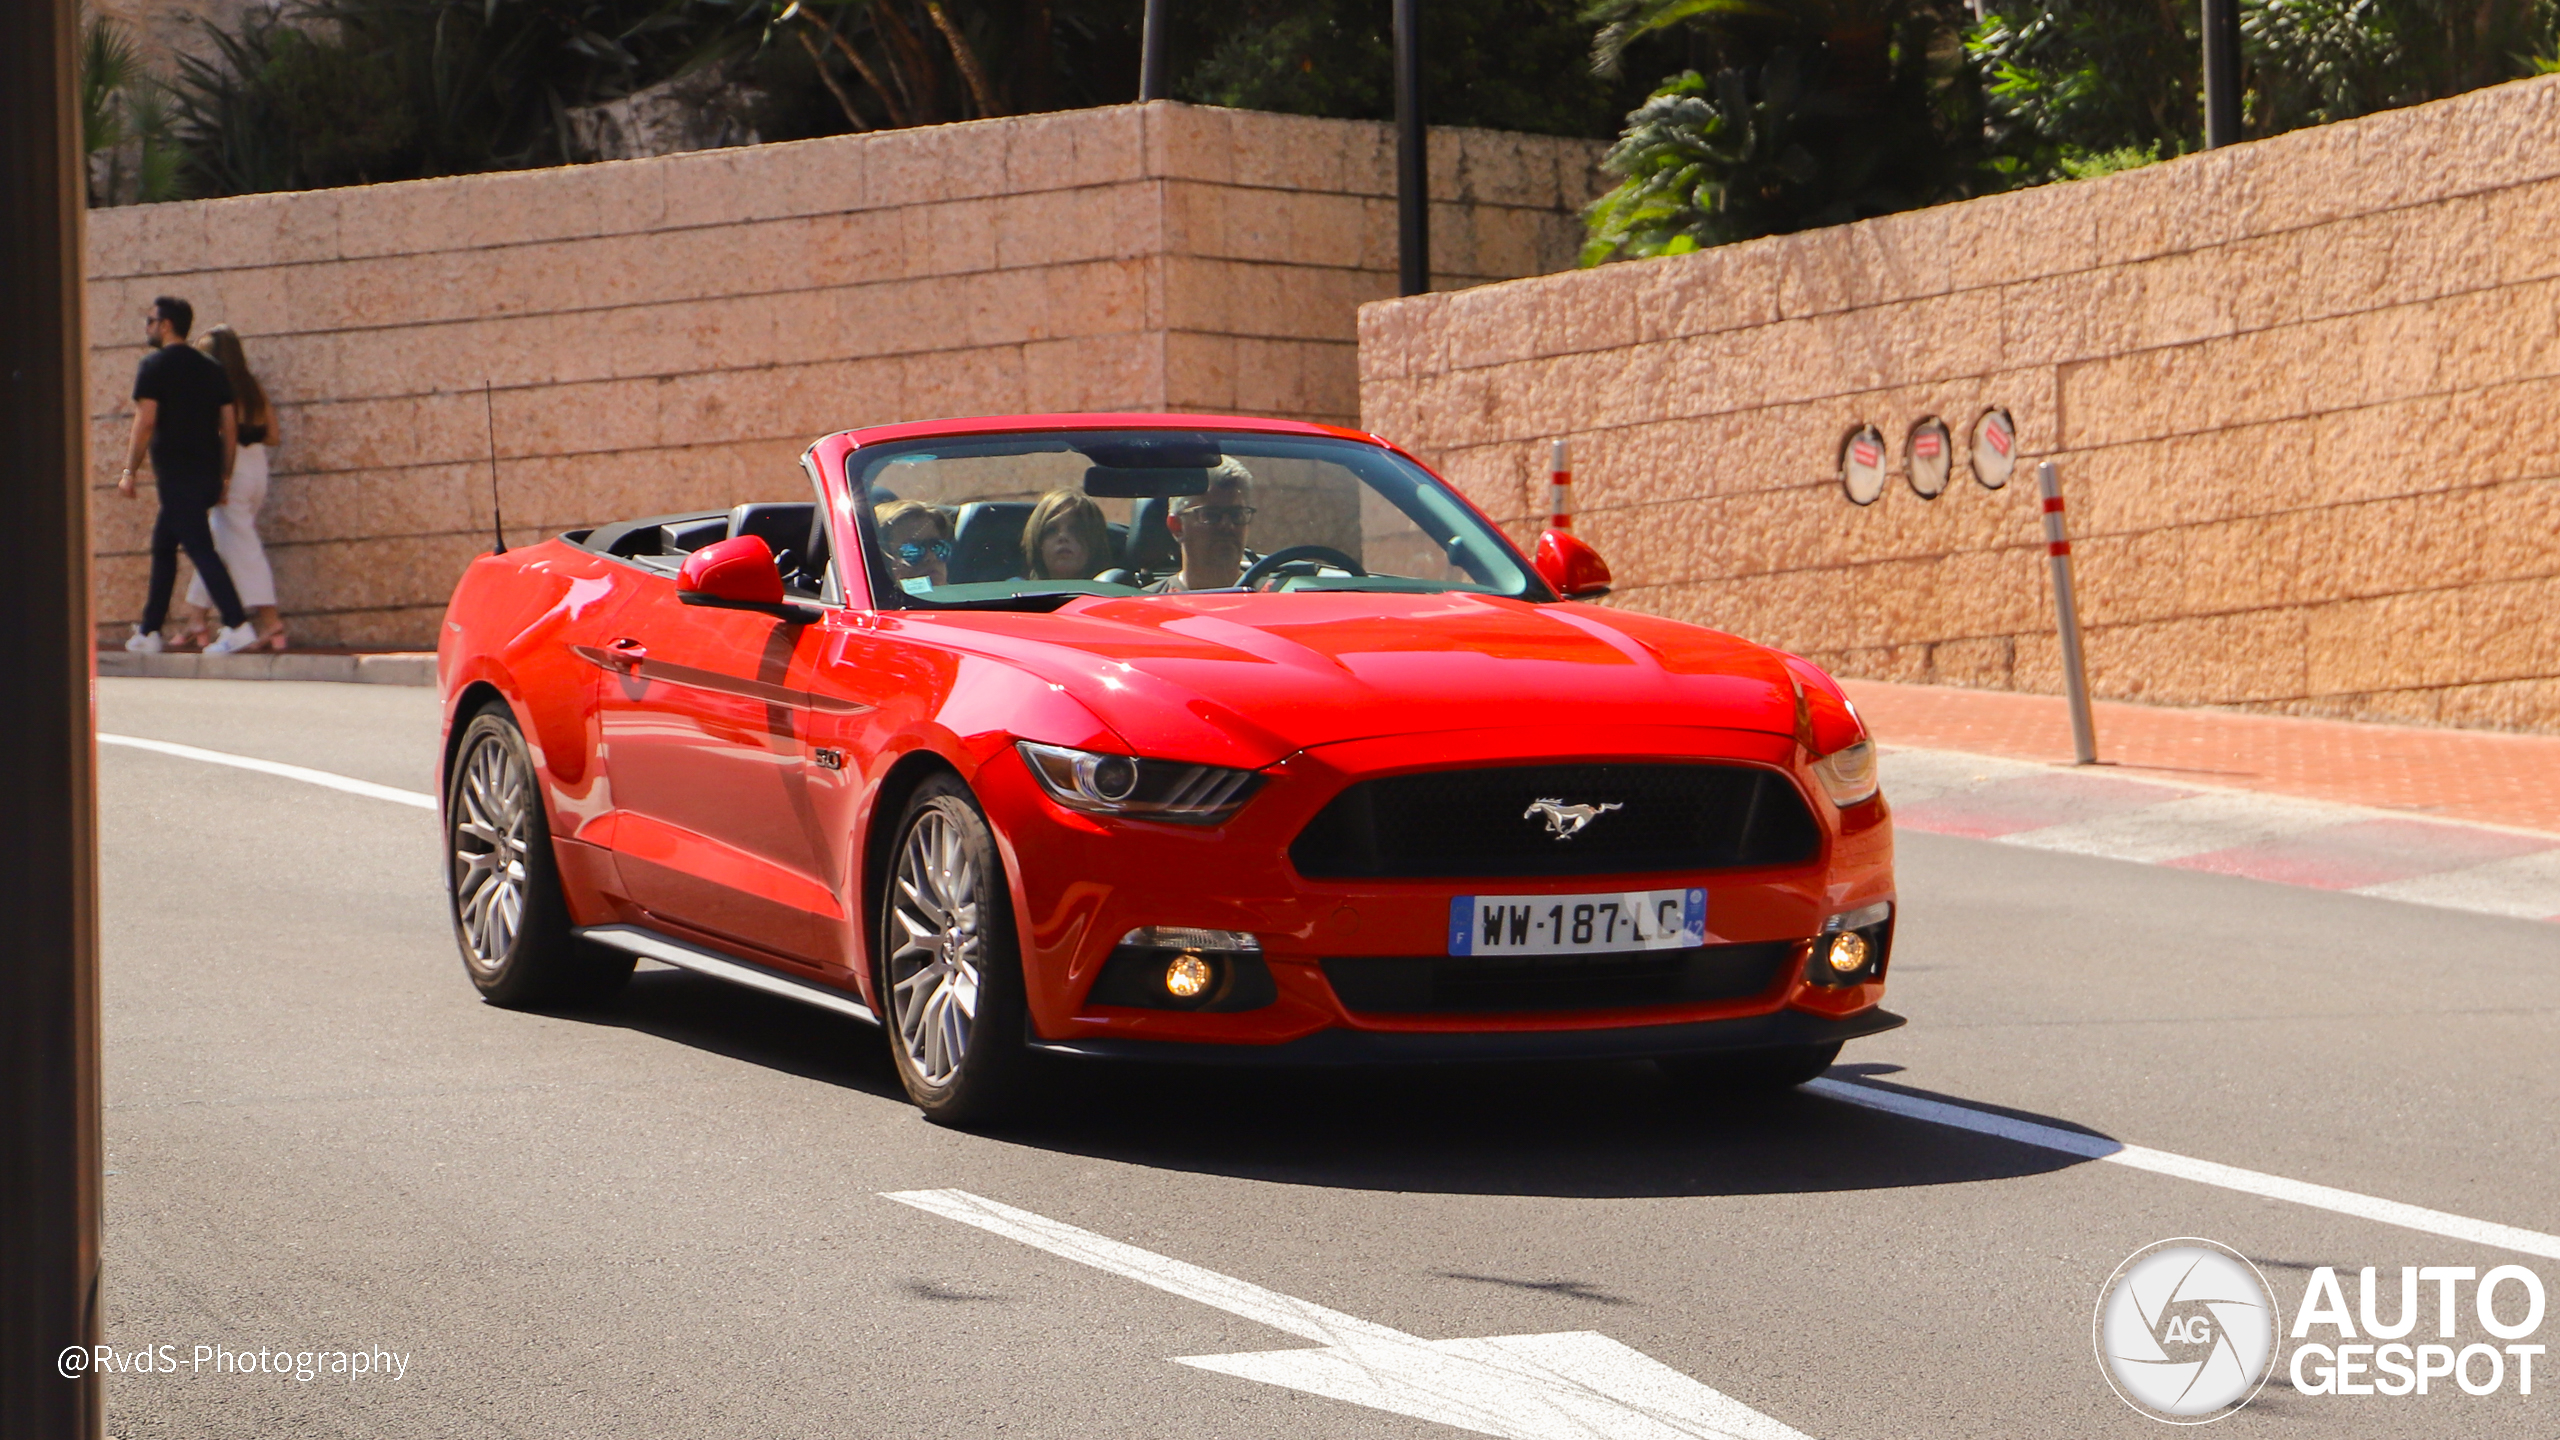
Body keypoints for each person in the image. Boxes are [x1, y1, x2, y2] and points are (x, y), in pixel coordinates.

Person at [119, 296, 257, 655]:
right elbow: (229, 424)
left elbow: (145, 421)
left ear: (165, 325)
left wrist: (129, 470)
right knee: (163, 546)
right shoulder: (213, 368)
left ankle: (237, 624)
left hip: (177, 476)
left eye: (150, 321)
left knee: (199, 549)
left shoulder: (153, 366)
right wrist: (224, 478)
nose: (147, 327)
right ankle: (150, 630)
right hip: (206, 475)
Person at [178, 325, 287, 651]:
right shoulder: (252, 388)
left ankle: (270, 622)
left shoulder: (214, 389)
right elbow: (273, 436)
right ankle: (195, 618)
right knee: (221, 543)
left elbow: (212, 438)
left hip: (232, 472)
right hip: (257, 468)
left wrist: (219, 477)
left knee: (242, 548)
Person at [1151, 459, 1256, 593]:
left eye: (1237, 515)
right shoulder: (1147, 605)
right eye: (1210, 515)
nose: (1227, 525)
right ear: (1177, 526)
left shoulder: (1275, 599)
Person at [1021, 488, 1113, 581]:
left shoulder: (1114, 593)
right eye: (1051, 530)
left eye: (1075, 529)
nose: (1063, 536)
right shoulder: (1014, 591)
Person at [875, 499, 952, 591]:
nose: (931, 556)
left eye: (938, 547)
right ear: (883, 561)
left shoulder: (966, 601)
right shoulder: (873, 603)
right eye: (912, 550)